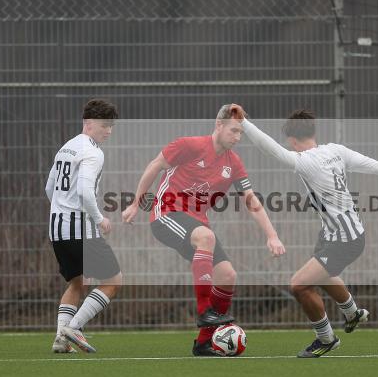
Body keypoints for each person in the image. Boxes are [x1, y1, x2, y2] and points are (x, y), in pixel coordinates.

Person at [231, 105, 378, 357]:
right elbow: (375, 165)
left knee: (299, 285)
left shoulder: (304, 161)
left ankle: (326, 338)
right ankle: (352, 313)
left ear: (293, 141)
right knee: (322, 274)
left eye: (290, 143)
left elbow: (269, 148)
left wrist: (244, 122)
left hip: (344, 239)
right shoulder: (335, 151)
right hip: (341, 233)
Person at [122, 105, 285, 356]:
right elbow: (155, 165)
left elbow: (251, 200)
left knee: (228, 275)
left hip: (197, 223)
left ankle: (204, 342)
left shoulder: (234, 163)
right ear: (218, 126)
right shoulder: (189, 145)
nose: (237, 138)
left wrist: (272, 235)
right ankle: (203, 311)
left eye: (241, 133)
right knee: (206, 237)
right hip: (166, 214)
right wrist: (135, 203)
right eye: (233, 131)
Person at [45, 99, 122, 354]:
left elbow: (49, 188)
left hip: (57, 229)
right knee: (113, 280)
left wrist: (62, 209)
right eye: (104, 126)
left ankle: (60, 339)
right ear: (88, 123)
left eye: (111, 126)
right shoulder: (93, 152)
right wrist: (99, 218)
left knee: (77, 283)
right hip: (80, 228)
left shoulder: (66, 148)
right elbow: (85, 191)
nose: (108, 131)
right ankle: (74, 328)